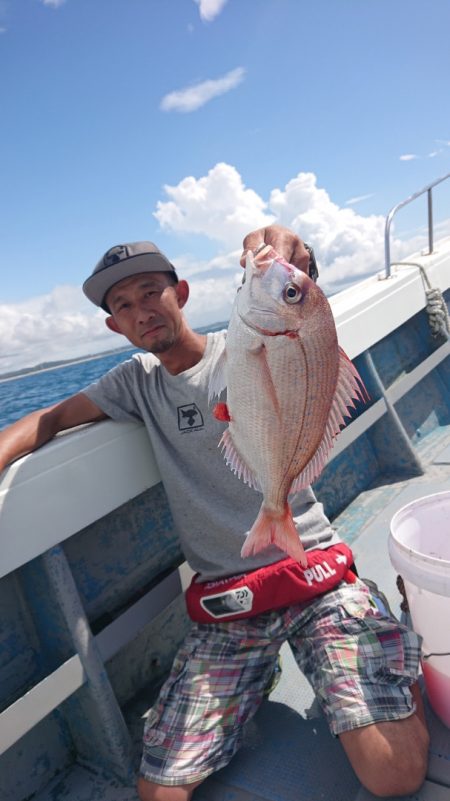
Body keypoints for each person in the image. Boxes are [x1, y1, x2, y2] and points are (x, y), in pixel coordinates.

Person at [0, 226, 429, 800]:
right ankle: (259, 675)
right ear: (114, 327)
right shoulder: (135, 383)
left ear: (180, 292)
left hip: (315, 571)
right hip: (229, 604)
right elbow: (48, 419)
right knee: (159, 792)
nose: (141, 310)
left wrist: (276, 250)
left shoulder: (247, 344)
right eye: (123, 305)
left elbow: (288, 265)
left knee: (394, 774)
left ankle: (382, 645)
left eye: (150, 291)